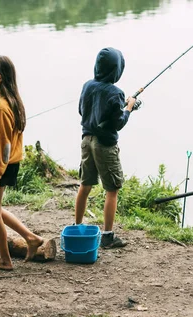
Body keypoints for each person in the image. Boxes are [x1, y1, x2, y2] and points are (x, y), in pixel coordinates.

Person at [0, 55, 44, 270]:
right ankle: (30, 238)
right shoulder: (12, 101)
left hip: (1, 166)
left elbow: (4, 146)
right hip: (4, 164)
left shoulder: (0, 107)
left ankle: (5, 260)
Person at [74, 47, 137, 248]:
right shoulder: (116, 92)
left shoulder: (87, 85)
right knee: (112, 189)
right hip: (104, 145)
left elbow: (80, 110)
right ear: (117, 70)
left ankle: (77, 228)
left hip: (86, 140)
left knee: (85, 185)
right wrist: (129, 108)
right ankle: (108, 236)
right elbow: (118, 123)